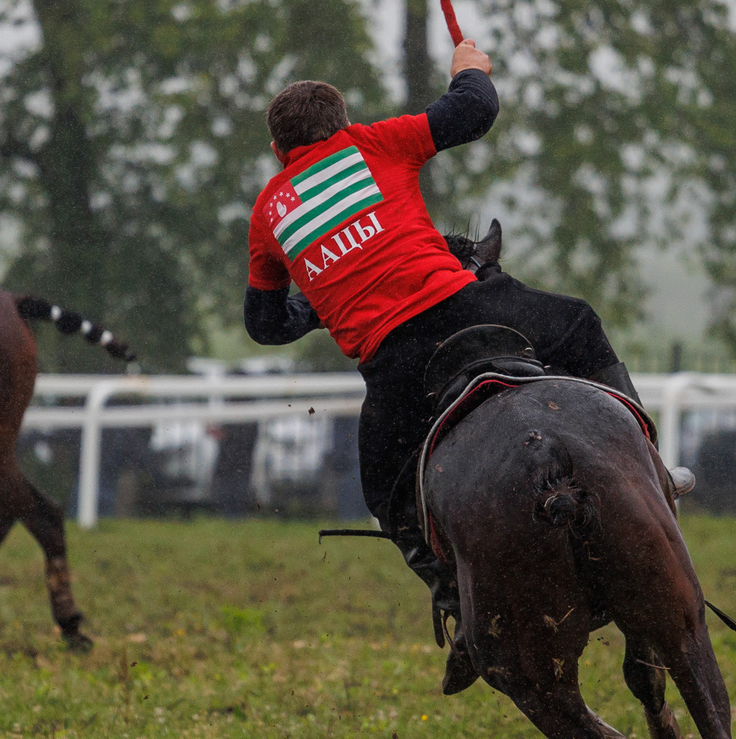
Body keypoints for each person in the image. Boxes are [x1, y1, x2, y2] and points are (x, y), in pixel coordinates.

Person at [243, 39, 646, 696]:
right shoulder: (373, 143)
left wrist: (321, 301)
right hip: (467, 306)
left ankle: (452, 593)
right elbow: (475, 110)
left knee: (383, 488)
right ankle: (645, 467)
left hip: (396, 365)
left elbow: (263, 324)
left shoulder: (268, 214)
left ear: (276, 152)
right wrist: (470, 63)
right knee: (578, 323)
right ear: (339, 125)